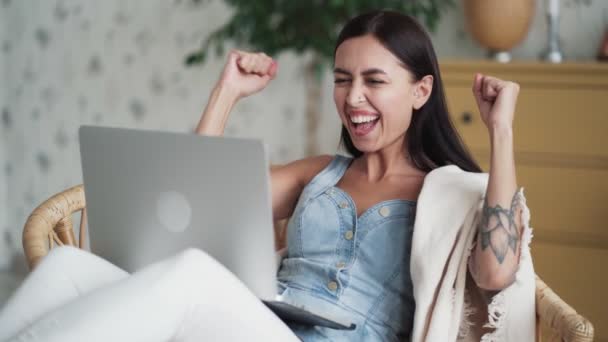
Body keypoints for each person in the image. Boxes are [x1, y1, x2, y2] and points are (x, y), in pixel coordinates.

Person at [0, 10, 535, 342]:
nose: (353, 98)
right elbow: (188, 207)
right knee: (68, 265)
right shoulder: (320, 174)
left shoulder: (451, 193)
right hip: (260, 323)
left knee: (192, 273)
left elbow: (494, 274)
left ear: (421, 91)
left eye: (375, 81)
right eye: (343, 79)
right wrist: (225, 94)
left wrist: (501, 132)